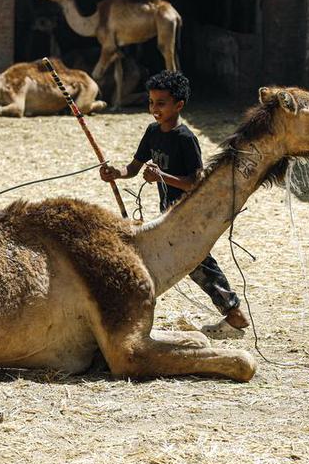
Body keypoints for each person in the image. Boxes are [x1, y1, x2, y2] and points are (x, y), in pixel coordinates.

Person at [99, 70, 249, 334]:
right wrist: (116, 173)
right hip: (169, 214)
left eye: (161, 103)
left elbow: (196, 183)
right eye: (151, 102)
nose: (154, 109)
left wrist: (162, 177)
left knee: (198, 263)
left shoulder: (185, 138)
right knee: (186, 262)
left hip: (189, 214)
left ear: (178, 105)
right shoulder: (152, 132)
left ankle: (233, 313)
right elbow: (133, 168)